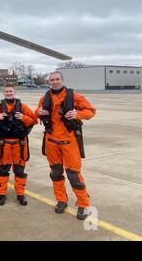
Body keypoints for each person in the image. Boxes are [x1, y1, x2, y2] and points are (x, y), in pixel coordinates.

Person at [35, 71, 96, 220]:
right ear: (48, 82)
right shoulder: (44, 98)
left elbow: (91, 111)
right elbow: (36, 113)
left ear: (62, 80)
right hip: (51, 143)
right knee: (55, 174)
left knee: (74, 175)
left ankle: (83, 203)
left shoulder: (74, 96)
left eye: (57, 79)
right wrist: (38, 111)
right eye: (52, 80)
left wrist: (78, 114)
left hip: (69, 143)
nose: (55, 82)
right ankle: (61, 200)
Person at [0, 84, 36, 206]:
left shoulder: (23, 107)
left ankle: (20, 194)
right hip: (4, 144)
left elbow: (34, 120)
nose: (9, 93)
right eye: (6, 91)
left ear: (15, 92)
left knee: (19, 171)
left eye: (10, 91)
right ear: (4, 93)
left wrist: (23, 117)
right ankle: (2, 194)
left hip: (20, 144)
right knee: (3, 170)